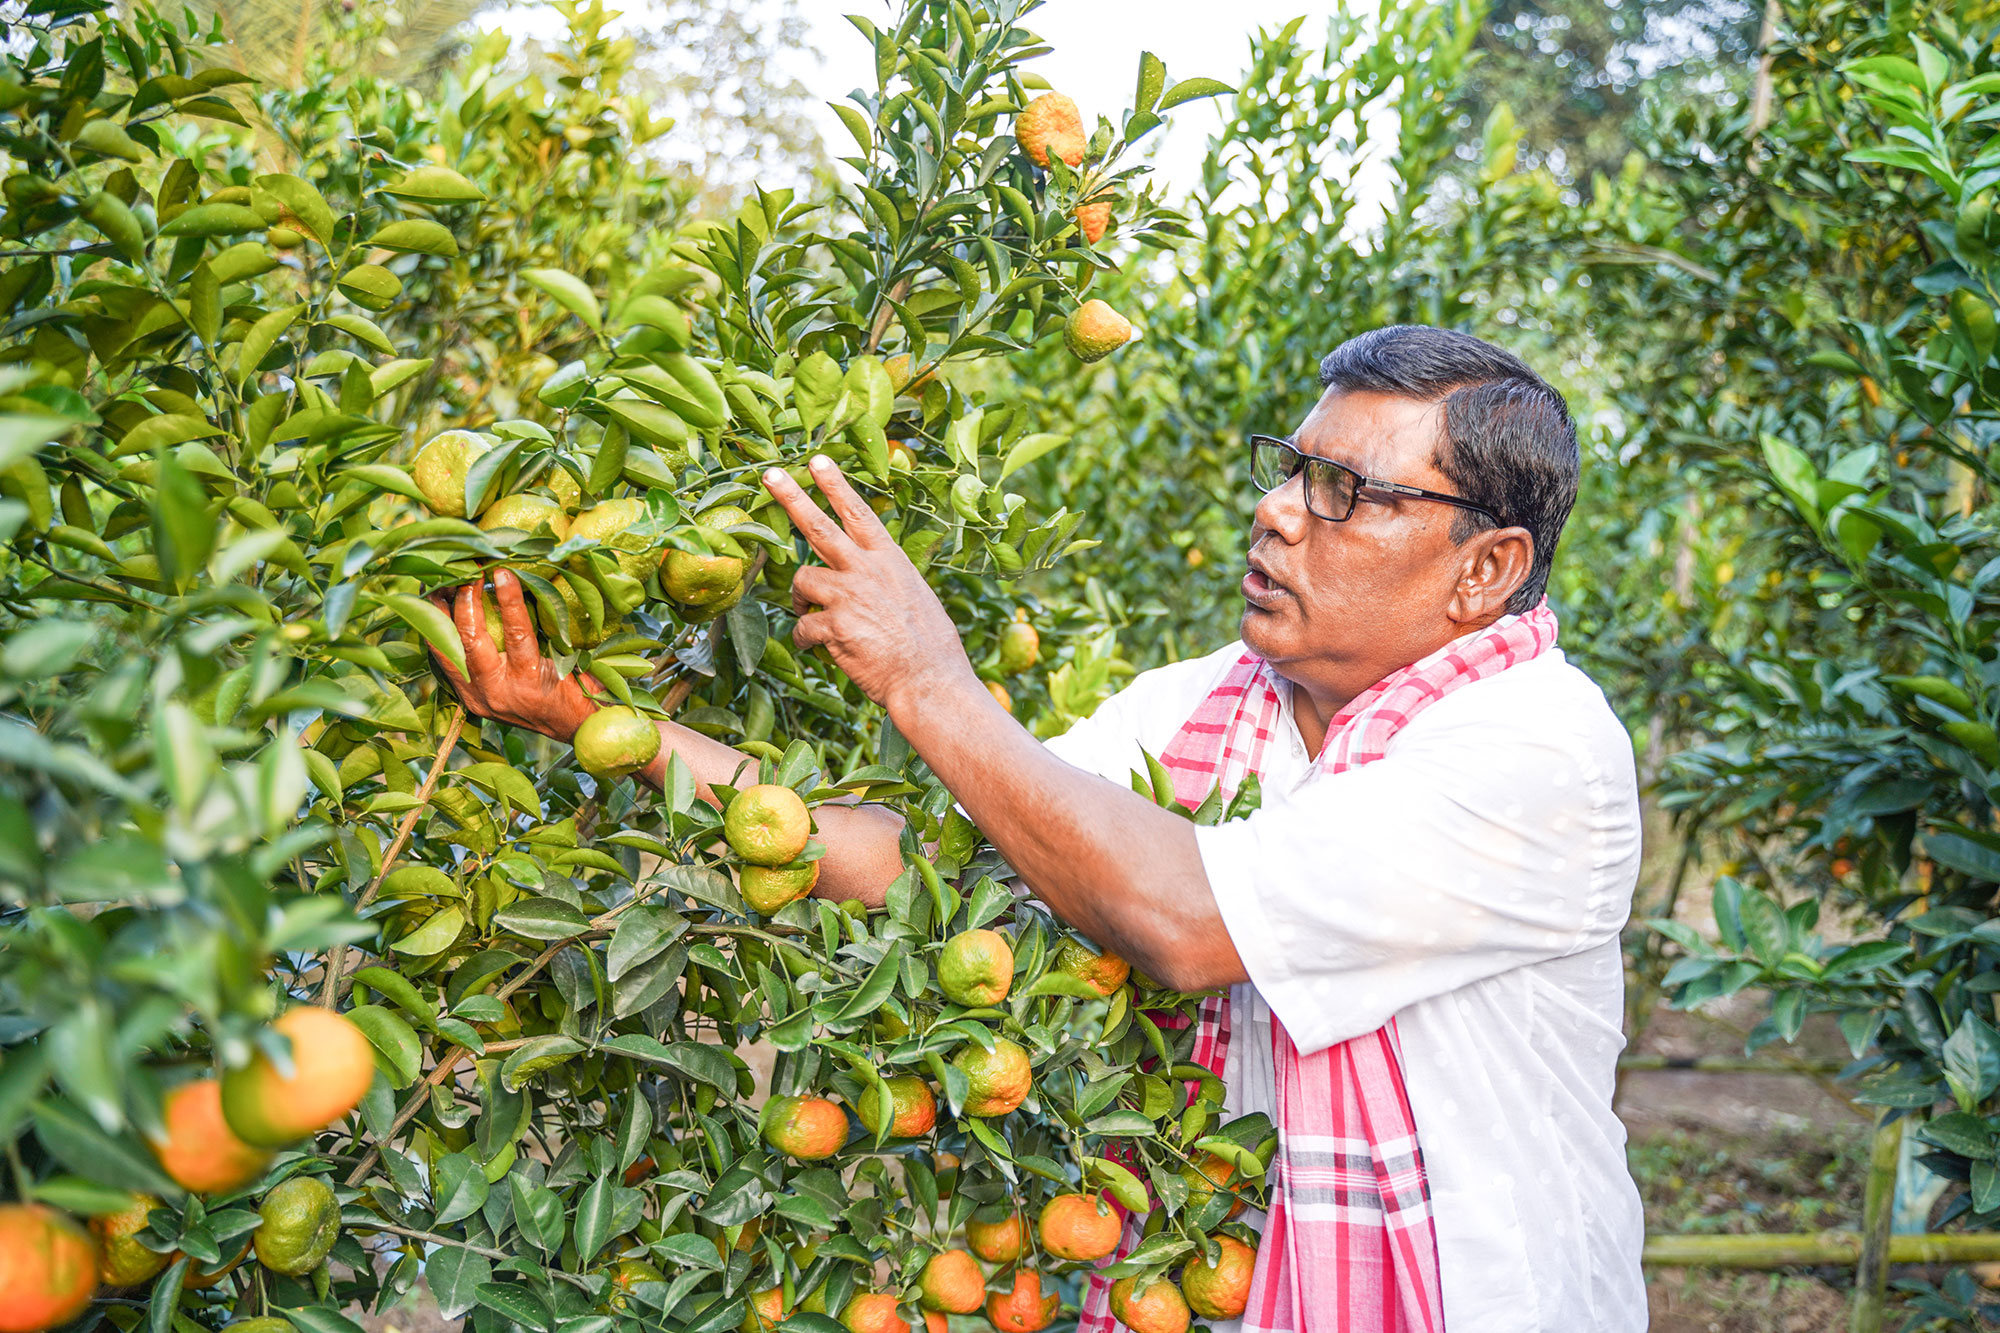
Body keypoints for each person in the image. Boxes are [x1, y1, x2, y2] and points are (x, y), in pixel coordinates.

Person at [436, 325, 1645, 1332]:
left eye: (1343, 491)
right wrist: (598, 720)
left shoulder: (1533, 750)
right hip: (1222, 1286)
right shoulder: (1202, 709)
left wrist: (929, 680)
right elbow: (937, 864)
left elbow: (1181, 918)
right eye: (1287, 469)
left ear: (1484, 567)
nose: (1277, 511)